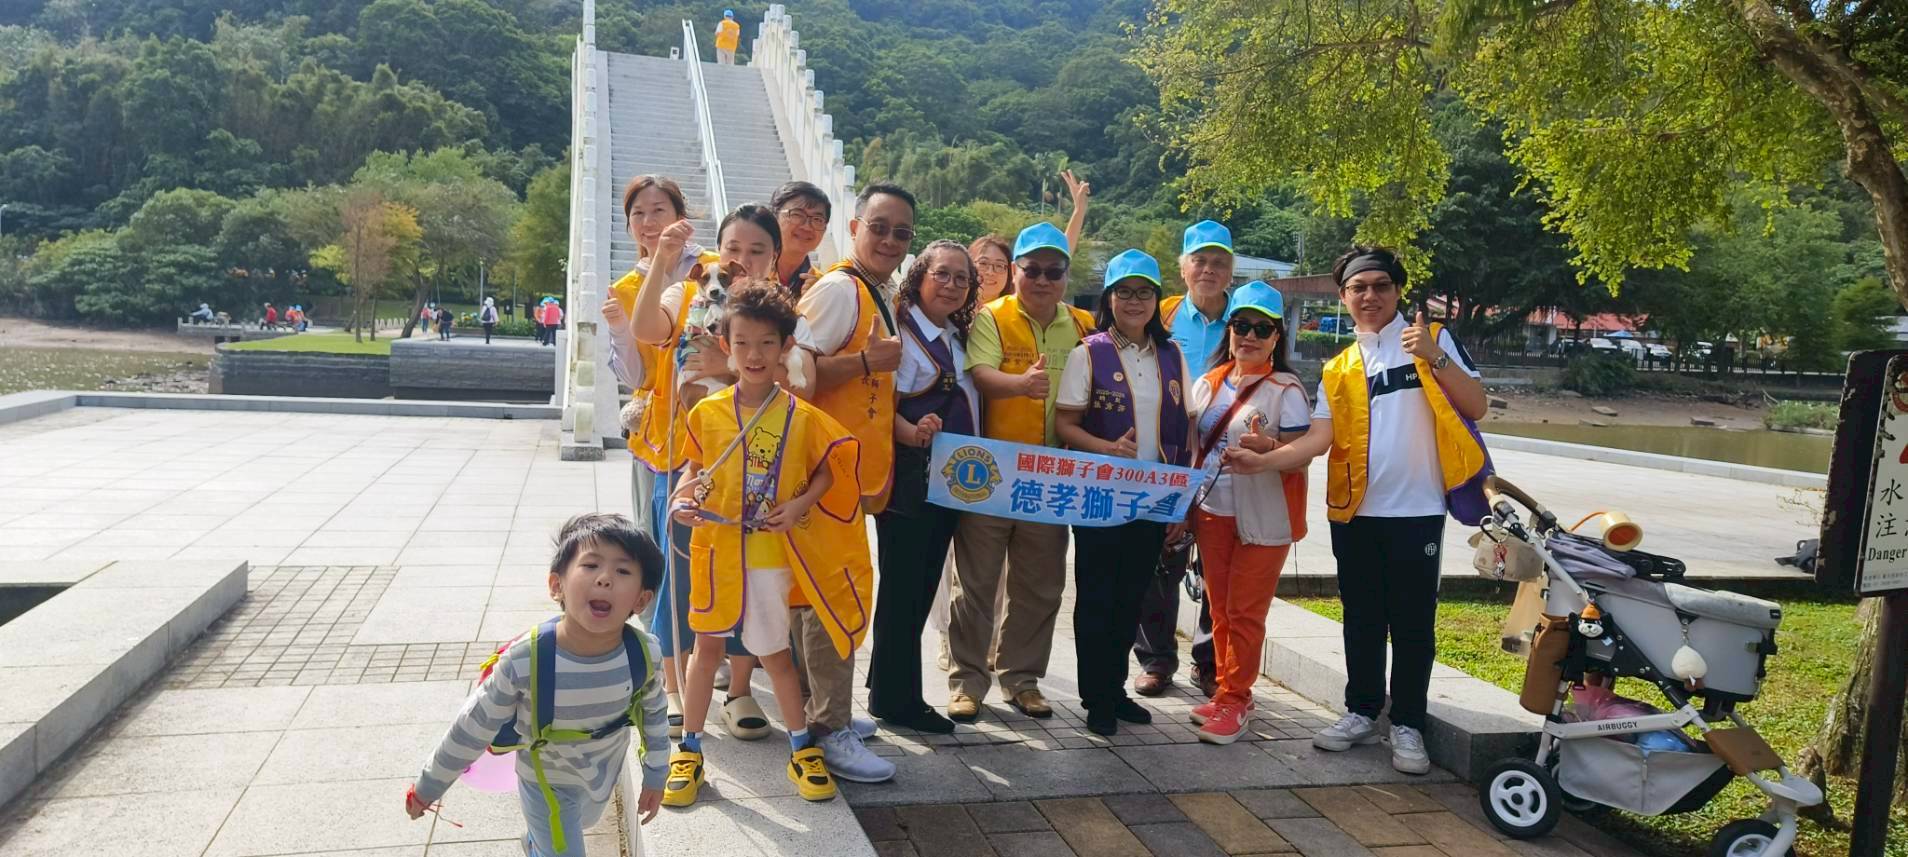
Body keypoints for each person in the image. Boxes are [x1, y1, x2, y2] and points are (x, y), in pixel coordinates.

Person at [1249, 246, 1488, 775]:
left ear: (1398, 291)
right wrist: (1267, 458)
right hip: (1354, 512)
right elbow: (1318, 438)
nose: (1369, 296)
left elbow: (1476, 406)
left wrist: (1433, 355)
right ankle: (1360, 711)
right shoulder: (1339, 367)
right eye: (1358, 288)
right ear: (1343, 297)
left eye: (1380, 285)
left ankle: (1407, 723)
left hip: (1417, 512)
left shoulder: (1433, 340)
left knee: (1411, 624)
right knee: (1360, 619)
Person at [662, 282, 875, 807]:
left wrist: (801, 505)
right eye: (741, 343)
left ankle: (802, 747)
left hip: (767, 557)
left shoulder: (800, 416)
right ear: (725, 345)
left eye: (765, 343)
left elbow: (833, 466)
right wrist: (677, 502)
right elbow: (694, 469)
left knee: (775, 654)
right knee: (705, 648)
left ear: (785, 348)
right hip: (716, 548)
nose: (753, 355)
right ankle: (689, 748)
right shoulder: (707, 412)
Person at [404, 514, 669, 854]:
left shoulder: (643, 654)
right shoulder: (526, 660)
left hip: (601, 776)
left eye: (623, 571)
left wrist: (656, 774)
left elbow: (656, 717)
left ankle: (535, 842)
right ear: (556, 585)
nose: (605, 579)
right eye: (590, 566)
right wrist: (428, 786)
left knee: (579, 824)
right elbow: (473, 725)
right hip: (547, 782)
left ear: (641, 600)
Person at [615, 178, 769, 746]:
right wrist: (661, 259)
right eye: (734, 249)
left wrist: (729, 370)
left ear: (774, 257)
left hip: (756, 460)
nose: (742, 260)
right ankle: (675, 691)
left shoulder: (777, 310)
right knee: (680, 570)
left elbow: (789, 376)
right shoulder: (693, 288)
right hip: (687, 456)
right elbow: (647, 330)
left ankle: (741, 688)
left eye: (757, 251)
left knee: (749, 576)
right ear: (716, 250)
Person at [946, 222, 1096, 723]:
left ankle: (1022, 679)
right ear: (1015, 273)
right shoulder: (991, 317)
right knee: (975, 583)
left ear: (1065, 276)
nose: (1042, 280)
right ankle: (967, 681)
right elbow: (980, 375)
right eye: (1032, 269)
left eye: (1054, 271)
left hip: (1052, 476)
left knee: (1041, 585)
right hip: (992, 473)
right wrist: (1020, 385)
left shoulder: (1082, 324)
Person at [792, 181, 914, 785]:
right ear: (856, 227)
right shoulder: (841, 289)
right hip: (822, 475)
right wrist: (866, 363)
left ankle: (823, 713)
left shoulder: (873, 291)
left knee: (820, 595)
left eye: (902, 232)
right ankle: (829, 727)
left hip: (847, 474)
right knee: (832, 597)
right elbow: (792, 370)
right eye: (880, 227)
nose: (890, 240)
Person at [1053, 249, 1193, 736]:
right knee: (1096, 596)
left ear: (1157, 299)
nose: (1135, 301)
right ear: (1109, 299)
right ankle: (1096, 697)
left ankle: (1116, 690)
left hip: (1154, 497)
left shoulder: (1173, 355)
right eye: (1125, 292)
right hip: (1100, 496)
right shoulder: (1088, 352)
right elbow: (1065, 423)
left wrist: (1182, 499)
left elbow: (1186, 428)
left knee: (1132, 596)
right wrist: (1106, 448)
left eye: (1144, 292)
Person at [1180, 282, 1311, 744]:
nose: (1249, 336)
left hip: (1265, 518)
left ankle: (1236, 699)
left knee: (1246, 612)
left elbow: (1303, 454)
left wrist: (1270, 447)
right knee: (1218, 608)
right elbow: (1192, 448)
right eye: (1241, 325)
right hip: (1213, 511)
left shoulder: (1286, 390)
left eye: (1262, 328)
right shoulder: (1209, 382)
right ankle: (1226, 691)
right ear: (1229, 329)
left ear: (1277, 337)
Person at [867, 241, 978, 736]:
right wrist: (909, 433)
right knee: (903, 591)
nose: (952, 285)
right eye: (942, 274)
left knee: (915, 589)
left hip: (948, 482)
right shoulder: (902, 332)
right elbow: (875, 403)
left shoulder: (955, 333)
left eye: (962, 278)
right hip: (912, 479)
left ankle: (885, 685)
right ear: (919, 276)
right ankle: (898, 700)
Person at [1134, 219, 1238, 699]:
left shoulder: (1246, 318)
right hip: (1168, 453)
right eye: (1200, 260)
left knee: (1218, 563)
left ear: (1230, 271)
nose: (1209, 270)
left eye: (1219, 262)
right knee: (1160, 558)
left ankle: (1209, 660)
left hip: (1226, 456)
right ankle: (1155, 659)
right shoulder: (1164, 316)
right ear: (1183, 267)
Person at [771, 181, 831, 299]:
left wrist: (816, 304)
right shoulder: (751, 269)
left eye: (817, 219)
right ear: (774, 217)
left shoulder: (820, 286)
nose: (807, 227)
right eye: (797, 215)